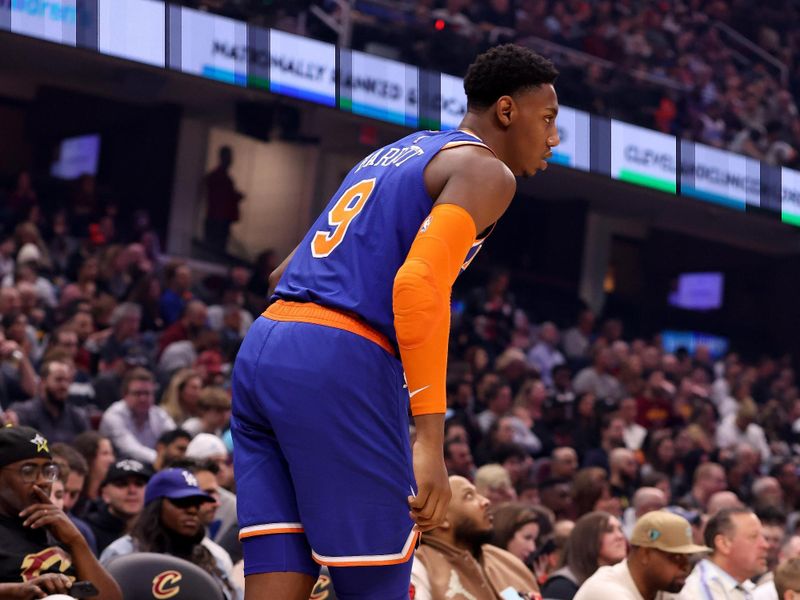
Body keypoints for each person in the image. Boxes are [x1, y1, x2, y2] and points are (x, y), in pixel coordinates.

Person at [231, 43, 560, 600]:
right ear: (507, 111)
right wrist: (430, 438)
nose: (553, 138)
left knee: (279, 569)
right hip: (339, 356)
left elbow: (281, 272)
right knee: (377, 581)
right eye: (548, 119)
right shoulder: (488, 172)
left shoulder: (400, 151)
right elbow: (417, 285)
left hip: (266, 346)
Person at [0, 426, 122, 600]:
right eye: (28, 471)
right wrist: (16, 591)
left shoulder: (61, 529)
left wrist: (76, 541)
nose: (42, 481)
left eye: (48, 472)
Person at [100, 468, 238, 600]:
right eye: (182, 502)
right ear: (156, 507)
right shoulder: (120, 553)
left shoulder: (214, 558)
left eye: (197, 504)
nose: (192, 511)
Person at [409, 476, 540, 600]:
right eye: (469, 496)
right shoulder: (418, 567)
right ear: (442, 518)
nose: (485, 501)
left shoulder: (506, 562)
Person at [573, 510, 711, 600]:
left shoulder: (663, 587)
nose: (685, 566)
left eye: (687, 557)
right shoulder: (607, 591)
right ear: (645, 554)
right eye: (675, 558)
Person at [678, 507, 770, 599]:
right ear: (723, 544)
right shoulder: (697, 593)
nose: (765, 545)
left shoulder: (746, 587)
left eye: (762, 537)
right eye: (753, 537)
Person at [540, 511, 627, 599]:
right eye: (609, 530)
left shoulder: (621, 581)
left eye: (620, 529)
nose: (620, 536)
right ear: (589, 538)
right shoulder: (561, 586)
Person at [99, 367, 176, 464]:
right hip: (121, 469)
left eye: (147, 393)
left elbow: (176, 437)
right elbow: (130, 449)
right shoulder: (113, 416)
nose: (143, 398)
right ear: (125, 395)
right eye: (137, 393)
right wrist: (164, 459)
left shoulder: (159, 414)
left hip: (153, 466)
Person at [6, 358, 89, 444]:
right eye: (58, 379)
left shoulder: (77, 416)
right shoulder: (23, 413)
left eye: (67, 380)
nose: (64, 386)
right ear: (43, 382)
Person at [84, 458, 151, 553]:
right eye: (122, 484)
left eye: (139, 484)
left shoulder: (156, 530)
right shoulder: (87, 531)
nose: (132, 491)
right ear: (104, 493)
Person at [204, 146, 244, 254]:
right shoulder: (217, 176)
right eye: (229, 157)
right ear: (223, 158)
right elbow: (222, 198)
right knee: (212, 250)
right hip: (217, 218)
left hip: (220, 218)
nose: (231, 160)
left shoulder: (222, 177)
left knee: (217, 250)